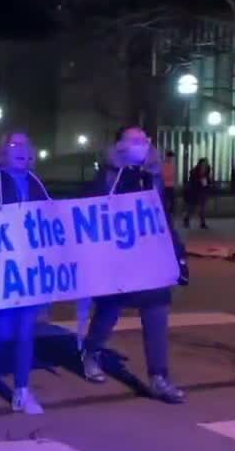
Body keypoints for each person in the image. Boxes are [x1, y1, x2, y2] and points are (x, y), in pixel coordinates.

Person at [79, 125, 189, 404]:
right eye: (133, 140)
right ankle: (91, 351)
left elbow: (162, 219)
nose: (141, 144)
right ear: (120, 146)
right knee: (108, 310)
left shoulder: (153, 177)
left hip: (150, 260)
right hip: (117, 260)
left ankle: (159, 377)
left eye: (144, 139)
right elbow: (89, 214)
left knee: (157, 311)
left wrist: (178, 254)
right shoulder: (106, 177)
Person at [0, 133, 51, 415]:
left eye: (25, 144)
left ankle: (22, 391)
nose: (21, 149)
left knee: (26, 331)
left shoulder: (37, 184)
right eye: (14, 144)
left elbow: (53, 219)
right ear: (3, 151)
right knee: (1, 330)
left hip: (30, 268)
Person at [184, 158, 211, 229]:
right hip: (195, 192)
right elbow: (192, 182)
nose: (204, 166)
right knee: (192, 208)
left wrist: (207, 184)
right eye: (203, 164)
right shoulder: (194, 171)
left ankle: (202, 223)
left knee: (202, 208)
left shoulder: (207, 171)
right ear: (200, 164)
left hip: (203, 192)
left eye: (205, 164)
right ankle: (186, 218)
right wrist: (200, 181)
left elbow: (208, 181)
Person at [160, 150, 177, 216]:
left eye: (171, 157)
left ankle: (169, 214)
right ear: (166, 157)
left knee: (172, 202)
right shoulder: (163, 165)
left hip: (171, 186)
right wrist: (169, 176)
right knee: (166, 202)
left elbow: (173, 176)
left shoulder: (172, 165)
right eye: (170, 157)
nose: (171, 159)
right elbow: (164, 176)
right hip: (165, 186)